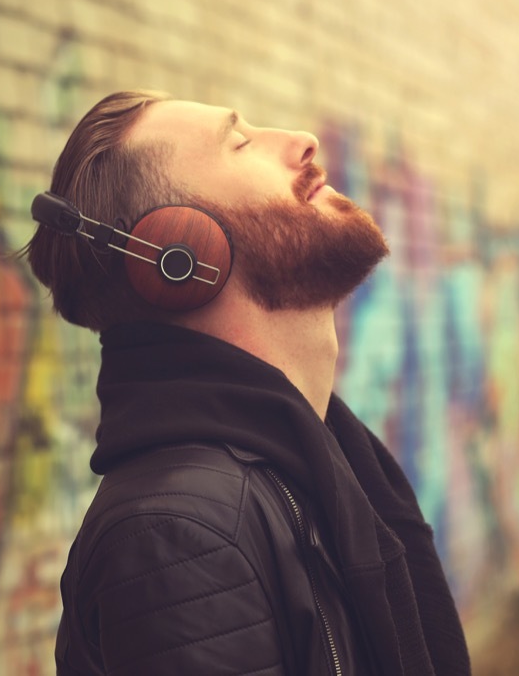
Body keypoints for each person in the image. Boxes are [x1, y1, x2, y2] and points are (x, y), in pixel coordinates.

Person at [23, 90, 471, 675]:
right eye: (241, 142)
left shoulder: (312, 468)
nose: (302, 141)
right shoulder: (181, 537)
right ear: (178, 255)